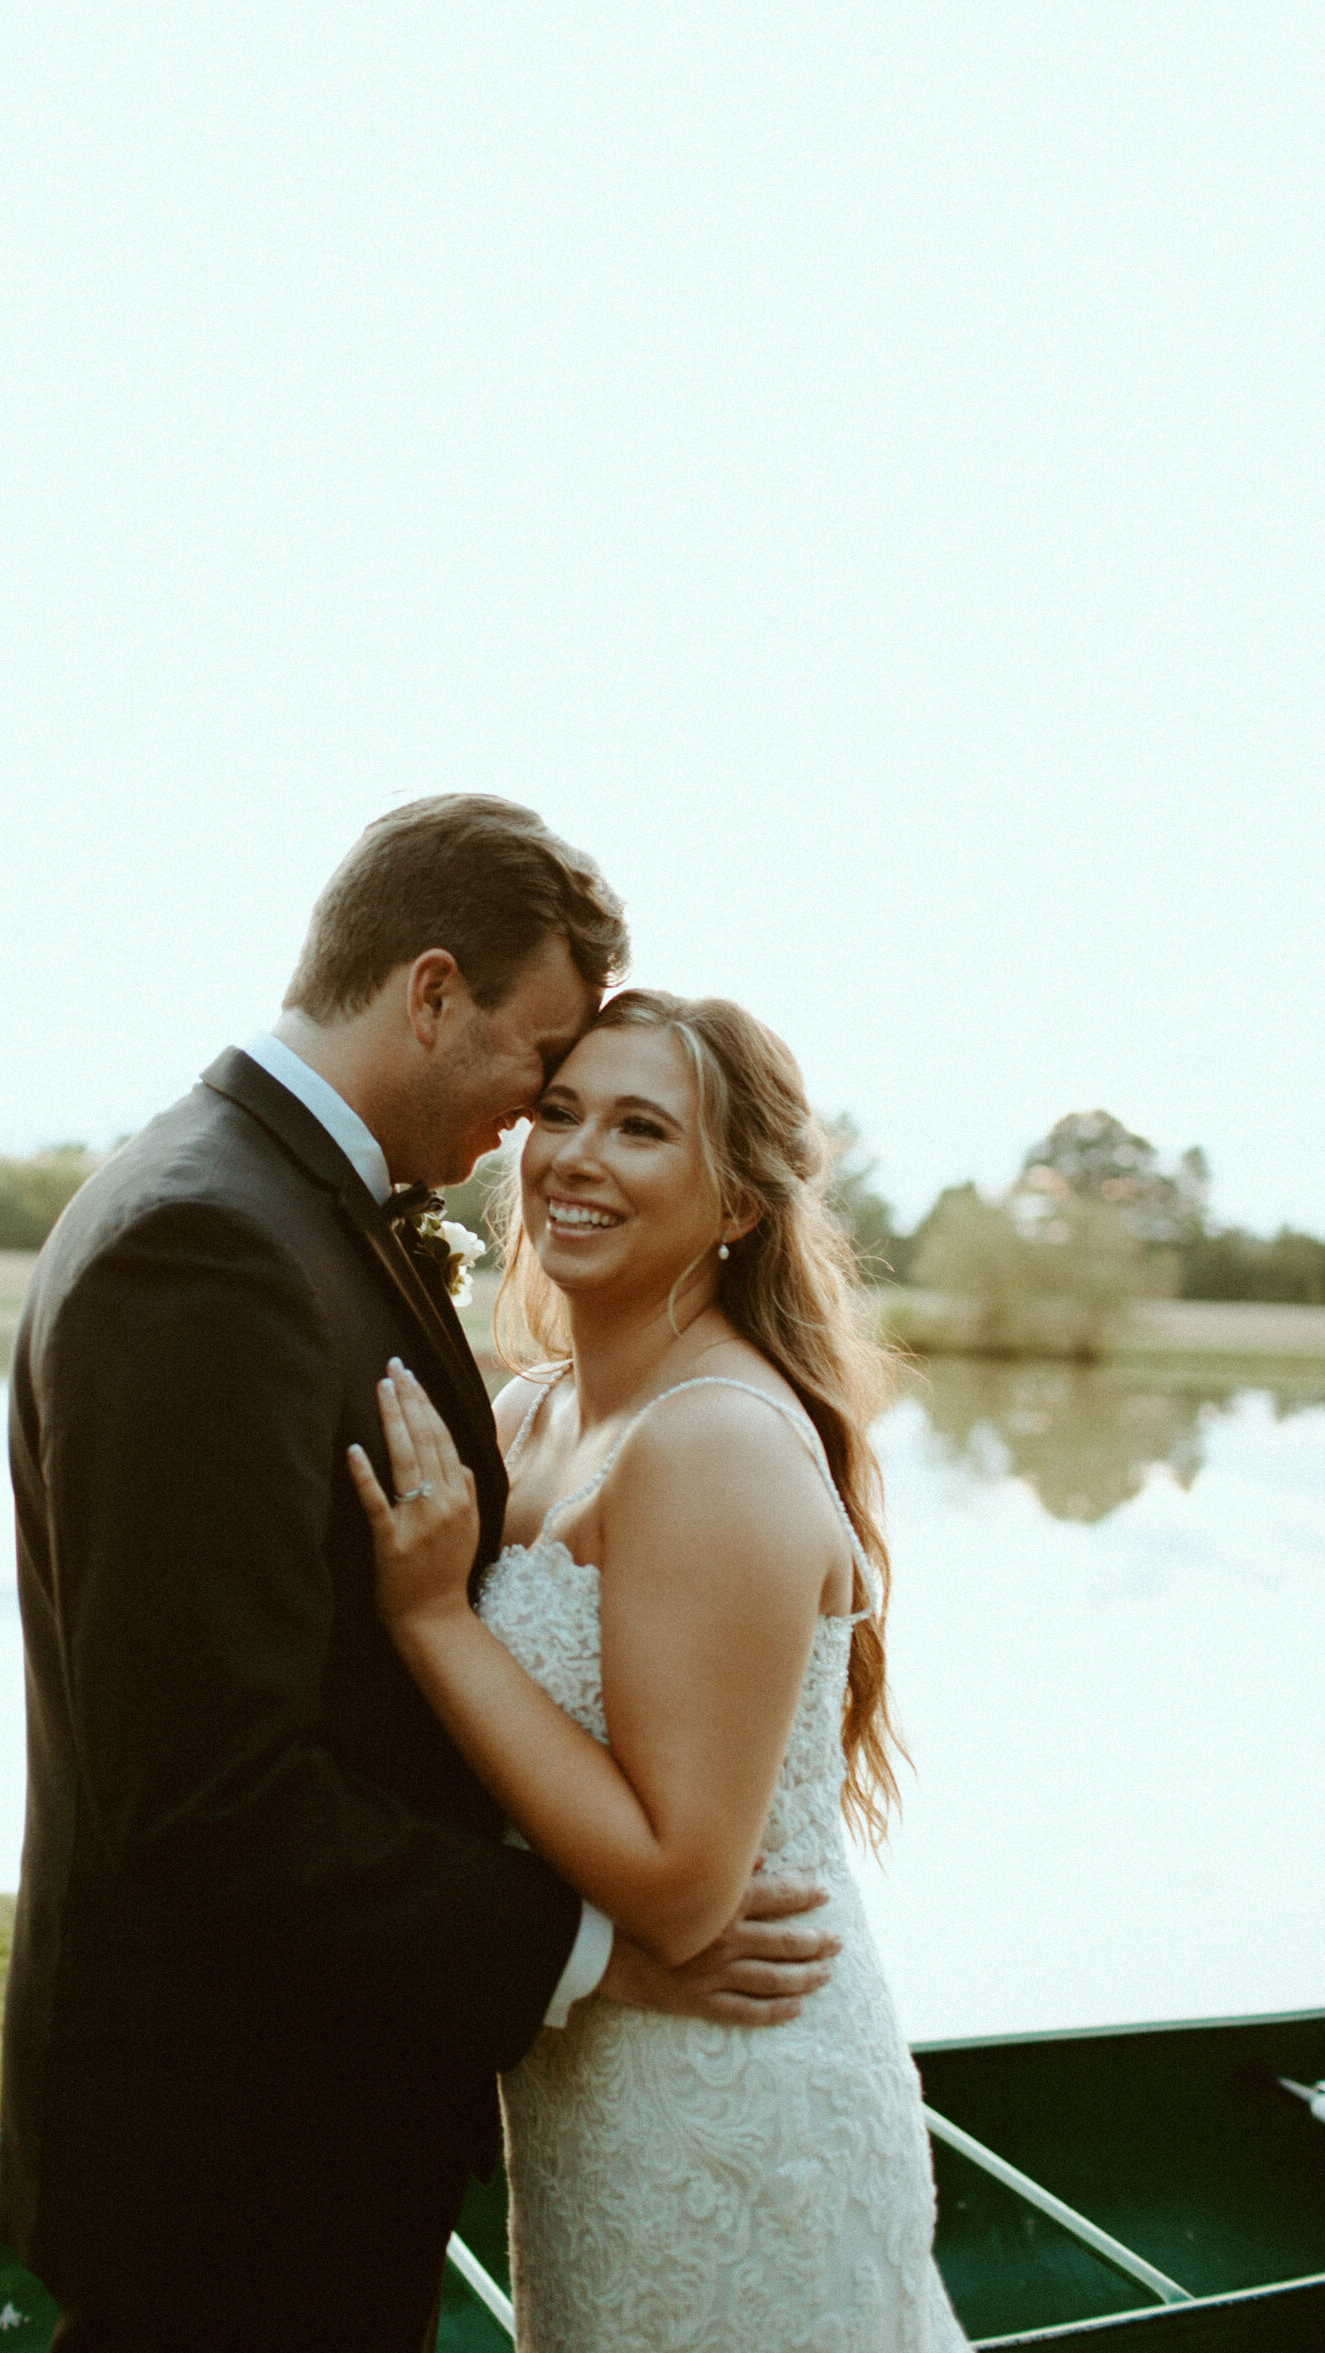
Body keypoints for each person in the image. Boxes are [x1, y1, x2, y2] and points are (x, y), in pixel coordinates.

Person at [0, 798, 844, 2353]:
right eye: (542, 1068)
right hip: (233, 2135)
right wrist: (595, 1953)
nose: (538, 1131)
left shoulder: (277, 1208)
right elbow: (207, 1788)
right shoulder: (209, 1241)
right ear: (432, 991)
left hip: (338, 2104)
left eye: (620, 1115)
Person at [349, 986, 971, 2351]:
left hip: (733, 2095)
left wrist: (433, 1618)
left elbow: (686, 1885)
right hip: (593, 2086)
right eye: (560, 1112)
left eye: (641, 1128)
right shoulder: (531, 1408)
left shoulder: (712, 1442)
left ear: (737, 1201)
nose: (574, 1156)